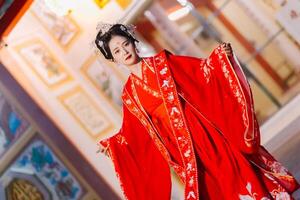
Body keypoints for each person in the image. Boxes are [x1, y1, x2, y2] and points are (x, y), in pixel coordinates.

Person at [95, 23, 299, 200]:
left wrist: (219, 58)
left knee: (231, 168)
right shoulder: (130, 95)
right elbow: (133, 132)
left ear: (133, 42)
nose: (125, 52)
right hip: (182, 149)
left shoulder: (163, 63)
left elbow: (200, 72)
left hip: (203, 131)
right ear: (113, 59)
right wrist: (113, 145)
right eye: (117, 51)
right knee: (209, 185)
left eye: (125, 44)